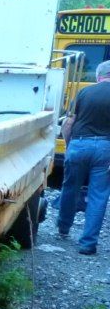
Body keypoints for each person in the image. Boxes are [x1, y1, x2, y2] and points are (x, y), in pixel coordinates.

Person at [57, 60, 110, 254]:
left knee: (70, 187)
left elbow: (68, 123)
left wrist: (71, 146)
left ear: (99, 75)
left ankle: (63, 228)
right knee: (98, 195)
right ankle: (88, 244)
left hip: (79, 143)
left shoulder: (84, 93)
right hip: (105, 147)